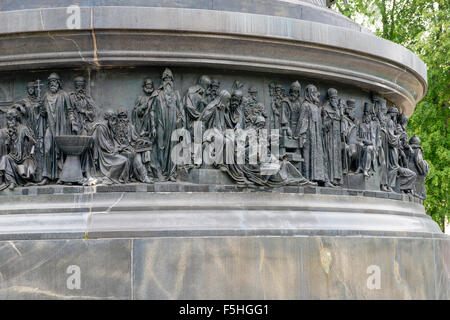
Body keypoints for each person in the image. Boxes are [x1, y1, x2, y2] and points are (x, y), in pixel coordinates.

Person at [39, 72, 75, 185]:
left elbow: (70, 110)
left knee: (61, 150)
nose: (52, 84)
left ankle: (63, 176)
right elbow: (43, 114)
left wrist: (73, 121)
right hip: (50, 126)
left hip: (62, 126)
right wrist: (41, 109)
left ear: (58, 83)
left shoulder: (64, 95)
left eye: (54, 82)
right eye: (50, 82)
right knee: (48, 149)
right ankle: (46, 176)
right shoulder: (45, 96)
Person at [296, 84, 332, 187]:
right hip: (308, 135)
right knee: (307, 157)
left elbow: (320, 124)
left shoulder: (316, 107)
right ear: (308, 94)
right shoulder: (305, 105)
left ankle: (322, 179)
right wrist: (300, 135)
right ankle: (306, 178)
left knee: (320, 157)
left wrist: (327, 124)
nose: (315, 94)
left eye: (315, 92)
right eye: (312, 92)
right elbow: (301, 121)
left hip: (317, 137)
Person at [153, 68, 185, 181]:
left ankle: (171, 173)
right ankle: (160, 171)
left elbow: (181, 110)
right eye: (165, 78)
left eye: (170, 78)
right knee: (160, 146)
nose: (168, 81)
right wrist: (152, 126)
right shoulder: (157, 94)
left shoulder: (176, 94)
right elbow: (152, 110)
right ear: (162, 81)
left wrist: (179, 121)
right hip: (161, 123)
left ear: (172, 81)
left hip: (173, 124)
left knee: (172, 147)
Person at [0, 109, 36, 190]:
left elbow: (33, 142)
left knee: (10, 159)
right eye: (8, 119)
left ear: (16, 118)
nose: (9, 122)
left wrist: (29, 153)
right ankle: (11, 182)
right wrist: (10, 137)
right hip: (13, 157)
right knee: (5, 158)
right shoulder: (10, 131)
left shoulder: (24, 129)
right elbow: (8, 148)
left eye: (11, 119)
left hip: (23, 158)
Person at [92, 110, 131, 184]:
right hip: (105, 154)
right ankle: (109, 177)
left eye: (115, 120)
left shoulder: (108, 128)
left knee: (128, 155)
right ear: (108, 118)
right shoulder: (101, 128)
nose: (114, 122)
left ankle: (120, 177)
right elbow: (104, 144)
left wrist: (120, 147)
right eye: (113, 119)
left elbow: (111, 141)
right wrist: (116, 149)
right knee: (123, 160)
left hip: (109, 151)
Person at [322, 88, 343, 186]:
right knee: (330, 157)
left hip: (337, 138)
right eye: (333, 99)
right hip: (329, 137)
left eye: (336, 98)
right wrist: (331, 120)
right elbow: (323, 125)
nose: (335, 101)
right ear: (330, 100)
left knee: (337, 158)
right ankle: (329, 179)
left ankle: (336, 179)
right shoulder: (325, 109)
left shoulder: (338, 110)